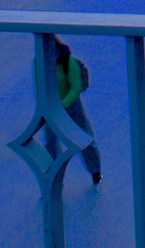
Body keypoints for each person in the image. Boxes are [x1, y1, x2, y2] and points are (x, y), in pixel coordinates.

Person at [38, 36, 102, 185]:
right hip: (51, 108)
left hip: (72, 107)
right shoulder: (39, 63)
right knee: (50, 143)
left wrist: (61, 105)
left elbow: (76, 88)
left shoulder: (68, 61)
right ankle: (54, 176)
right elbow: (39, 86)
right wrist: (45, 106)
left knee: (83, 138)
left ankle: (95, 172)